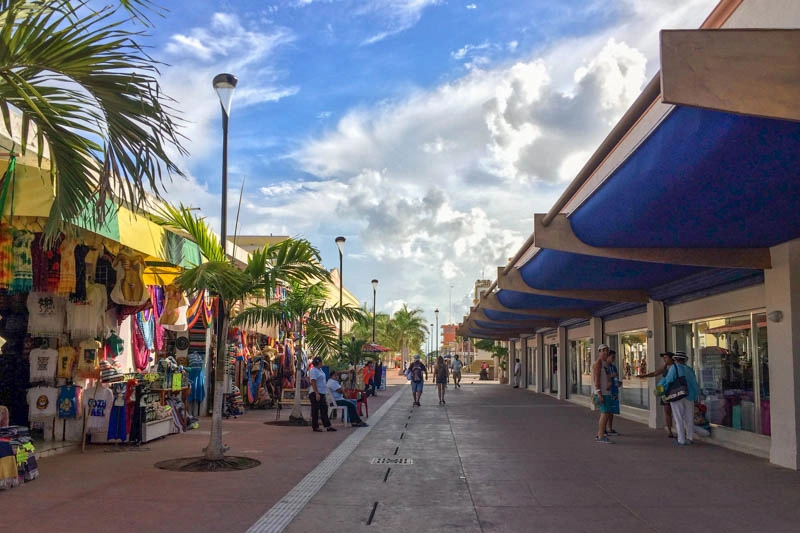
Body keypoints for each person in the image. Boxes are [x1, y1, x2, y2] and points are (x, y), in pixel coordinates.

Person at [660, 351, 699, 446]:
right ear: (685, 360)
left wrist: (661, 390)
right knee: (689, 418)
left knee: (678, 418)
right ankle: (690, 438)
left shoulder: (674, 368)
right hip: (690, 396)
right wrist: (695, 397)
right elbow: (695, 384)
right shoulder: (690, 369)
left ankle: (681, 440)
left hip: (677, 395)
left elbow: (668, 380)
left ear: (675, 359)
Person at [639, 352, 677, 438]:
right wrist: (644, 375)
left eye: (666, 357)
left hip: (674, 391)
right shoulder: (664, 367)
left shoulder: (676, 367)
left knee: (676, 411)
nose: (664, 359)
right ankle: (670, 430)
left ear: (672, 358)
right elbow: (655, 373)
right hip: (665, 391)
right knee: (667, 411)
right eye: (664, 358)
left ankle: (680, 430)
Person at [592, 344, 614, 444]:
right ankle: (600, 435)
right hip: (602, 393)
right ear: (599, 352)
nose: (605, 352)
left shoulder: (606, 363)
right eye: (603, 350)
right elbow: (596, 379)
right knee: (604, 413)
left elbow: (607, 377)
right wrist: (599, 393)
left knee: (607, 413)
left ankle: (602, 433)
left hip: (607, 392)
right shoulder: (598, 363)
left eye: (607, 351)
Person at [308, 356, 336, 432]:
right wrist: (317, 393)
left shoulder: (320, 370)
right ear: (319, 363)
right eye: (321, 362)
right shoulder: (313, 370)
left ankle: (327, 425)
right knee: (315, 410)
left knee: (324, 409)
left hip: (322, 392)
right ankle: (315, 426)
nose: (322, 364)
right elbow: (313, 382)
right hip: (315, 393)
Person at [605, 350, 621, 436]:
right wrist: (612, 376)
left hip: (614, 390)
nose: (614, 359)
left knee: (611, 411)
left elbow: (615, 378)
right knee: (606, 411)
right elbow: (603, 378)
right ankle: (604, 429)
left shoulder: (613, 367)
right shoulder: (604, 367)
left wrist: (618, 382)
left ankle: (609, 428)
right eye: (612, 357)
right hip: (608, 391)